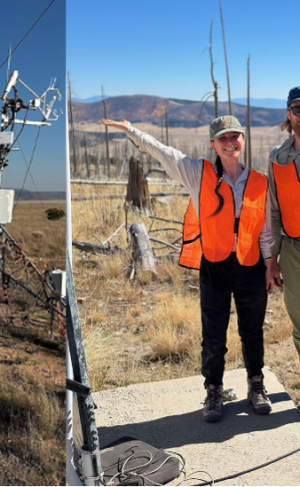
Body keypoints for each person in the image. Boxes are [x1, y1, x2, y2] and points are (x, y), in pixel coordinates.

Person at [101, 116, 277, 423]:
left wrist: (269, 264)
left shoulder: (260, 182)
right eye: (222, 138)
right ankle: (214, 390)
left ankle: (256, 386)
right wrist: (132, 131)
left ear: (243, 140)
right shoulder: (198, 173)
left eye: (235, 136)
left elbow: (263, 230)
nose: (230, 142)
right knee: (213, 335)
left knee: (252, 331)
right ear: (213, 144)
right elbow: (164, 152)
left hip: (250, 266)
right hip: (215, 266)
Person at [268, 85, 300, 364]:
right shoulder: (277, 159)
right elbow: (275, 213)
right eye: (298, 109)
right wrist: (273, 260)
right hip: (293, 251)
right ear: (289, 114)